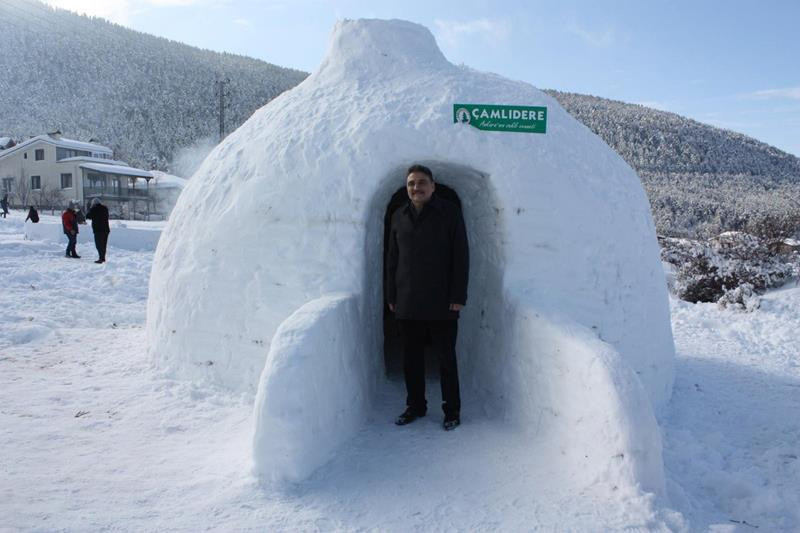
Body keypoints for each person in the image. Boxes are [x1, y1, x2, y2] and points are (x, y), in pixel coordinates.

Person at [385, 164, 469, 431]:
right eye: (411, 183)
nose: (416, 187)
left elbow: (461, 256)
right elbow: (392, 260)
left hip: (442, 299)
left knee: (446, 359)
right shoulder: (399, 216)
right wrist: (391, 294)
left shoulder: (449, 213)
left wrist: (458, 295)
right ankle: (415, 406)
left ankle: (451, 410)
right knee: (411, 358)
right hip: (408, 299)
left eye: (422, 182)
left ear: (433, 186)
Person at [86, 198, 110, 264]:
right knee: (104, 245)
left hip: (98, 230)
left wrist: (90, 209)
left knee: (99, 245)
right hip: (106, 229)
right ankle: (103, 258)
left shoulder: (93, 209)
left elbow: (88, 216)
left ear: (93, 203)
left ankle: (101, 258)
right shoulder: (105, 209)